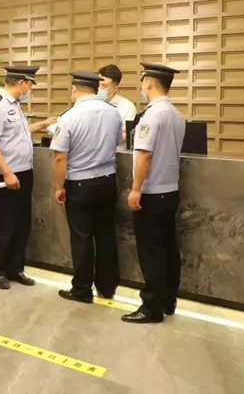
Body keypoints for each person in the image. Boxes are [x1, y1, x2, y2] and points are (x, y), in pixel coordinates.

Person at [50, 71, 124, 304]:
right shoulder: (113, 112)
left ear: (75, 89)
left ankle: (82, 289)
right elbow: (117, 143)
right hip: (107, 181)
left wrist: (58, 186)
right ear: (96, 89)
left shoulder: (69, 117)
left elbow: (59, 157)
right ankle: (107, 287)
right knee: (106, 236)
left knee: (81, 238)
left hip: (79, 184)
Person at [0, 66, 56, 290]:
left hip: (23, 173)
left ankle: (15, 268)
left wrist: (43, 124)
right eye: (30, 85)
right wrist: (7, 173)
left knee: (21, 224)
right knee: (4, 225)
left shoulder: (14, 105)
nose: (30, 90)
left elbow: (17, 133)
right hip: (5, 176)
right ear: (22, 83)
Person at [123, 63, 186, 324]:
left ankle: (151, 307)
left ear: (149, 82)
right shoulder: (176, 114)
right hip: (170, 190)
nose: (142, 86)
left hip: (151, 192)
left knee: (151, 252)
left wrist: (136, 188)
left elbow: (145, 154)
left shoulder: (151, 115)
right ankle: (168, 300)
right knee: (168, 248)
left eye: (143, 81)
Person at [98, 64, 137, 137]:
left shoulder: (127, 107)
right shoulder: (90, 103)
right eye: (98, 84)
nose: (99, 89)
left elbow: (128, 134)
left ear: (115, 89)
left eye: (104, 86)